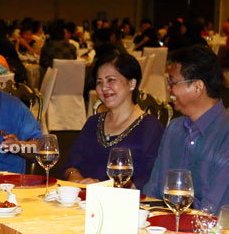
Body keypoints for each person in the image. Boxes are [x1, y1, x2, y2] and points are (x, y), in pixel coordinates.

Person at [142, 45, 229, 214]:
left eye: (172, 82)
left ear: (198, 87)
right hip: (168, 228)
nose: (168, 89)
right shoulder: (174, 129)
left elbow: (215, 210)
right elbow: (153, 191)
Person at [62, 52, 163, 189]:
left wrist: (107, 189)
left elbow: (151, 179)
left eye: (111, 80)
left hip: (127, 205)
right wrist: (77, 178)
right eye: (99, 82)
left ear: (132, 83)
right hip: (84, 202)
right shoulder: (93, 122)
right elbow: (70, 164)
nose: (104, 88)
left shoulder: (150, 127)